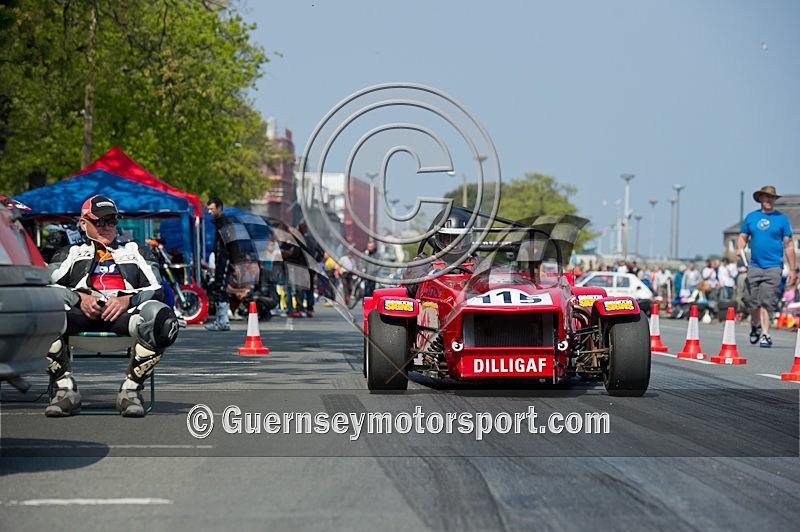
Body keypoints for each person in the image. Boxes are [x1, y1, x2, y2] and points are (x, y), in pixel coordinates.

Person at [45, 195, 179, 417]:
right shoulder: (70, 253)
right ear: (82, 223)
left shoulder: (137, 251)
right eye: (99, 222)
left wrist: (127, 299)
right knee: (33, 314)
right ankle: (65, 390)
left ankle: (131, 391)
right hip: (79, 313)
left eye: (112, 221)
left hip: (125, 315)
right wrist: (79, 297)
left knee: (163, 321)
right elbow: (43, 286)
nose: (106, 227)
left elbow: (157, 289)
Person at [737, 185, 796, 348]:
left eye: (771, 197)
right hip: (754, 265)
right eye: (766, 197)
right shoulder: (751, 217)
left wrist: (792, 269)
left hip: (773, 266)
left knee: (766, 301)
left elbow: (789, 244)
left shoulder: (782, 219)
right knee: (750, 300)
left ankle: (765, 334)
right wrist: (739, 248)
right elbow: (742, 237)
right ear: (760, 199)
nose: (769, 200)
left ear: (774, 200)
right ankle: (755, 325)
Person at [205, 197, 232, 331]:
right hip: (221, 259)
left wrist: (235, 261)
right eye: (208, 209)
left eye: (212, 209)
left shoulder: (224, 223)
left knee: (220, 288)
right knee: (219, 287)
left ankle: (222, 321)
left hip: (225, 260)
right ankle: (222, 320)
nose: (209, 212)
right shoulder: (219, 223)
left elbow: (231, 243)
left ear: (219, 209)